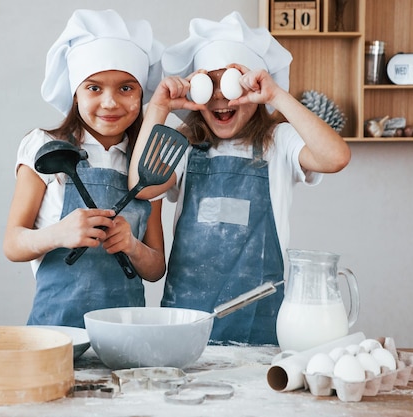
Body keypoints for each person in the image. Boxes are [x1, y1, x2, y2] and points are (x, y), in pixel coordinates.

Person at [129, 12, 351, 344]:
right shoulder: (186, 141)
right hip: (188, 321)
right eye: (209, 84)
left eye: (232, 81)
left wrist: (277, 96)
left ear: (254, 87)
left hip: (260, 320)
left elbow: (336, 157)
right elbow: (141, 186)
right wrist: (159, 108)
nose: (220, 95)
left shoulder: (279, 141)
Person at [3, 9, 166, 329]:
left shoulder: (147, 165)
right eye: (94, 88)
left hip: (126, 333)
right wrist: (58, 234)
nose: (109, 102)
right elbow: (12, 244)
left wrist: (132, 246)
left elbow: (156, 267)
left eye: (126, 88)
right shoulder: (44, 146)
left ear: (141, 94)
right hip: (54, 331)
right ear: (75, 91)